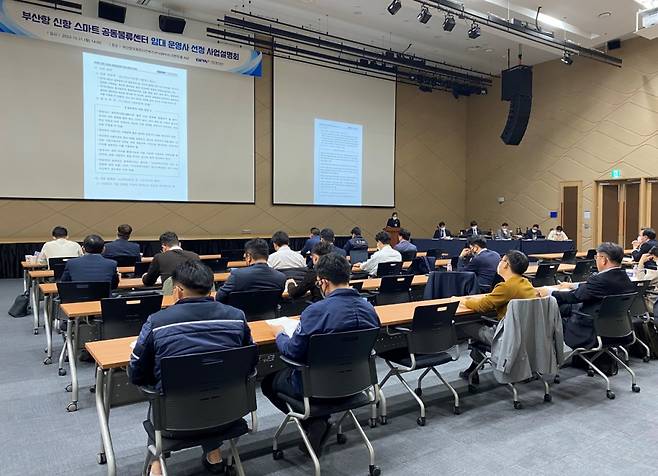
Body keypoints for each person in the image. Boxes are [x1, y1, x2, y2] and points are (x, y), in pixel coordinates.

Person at [128, 260, 253, 476]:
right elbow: (249, 361)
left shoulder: (157, 322)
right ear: (212, 288)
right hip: (229, 415)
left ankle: (157, 462)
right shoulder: (237, 317)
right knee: (211, 380)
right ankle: (214, 454)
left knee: (160, 391)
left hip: (174, 423)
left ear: (177, 290)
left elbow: (137, 371)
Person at [261, 253, 380, 456]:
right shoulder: (370, 309)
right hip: (357, 384)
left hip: (315, 388)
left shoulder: (316, 311)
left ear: (323, 282)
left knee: (268, 383)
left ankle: (314, 420)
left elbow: (293, 352)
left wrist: (279, 333)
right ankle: (318, 421)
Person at [459, 250, 538, 382]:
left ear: (506, 265)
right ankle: (473, 369)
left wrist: (463, 300)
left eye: (501, 260)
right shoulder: (526, 283)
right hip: (526, 336)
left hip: (506, 337)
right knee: (483, 327)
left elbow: (481, 306)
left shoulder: (506, 287)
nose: (499, 262)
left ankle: (472, 368)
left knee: (463, 324)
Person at [540, 242, 635, 349]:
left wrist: (549, 292)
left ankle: (549, 352)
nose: (596, 260)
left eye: (597, 257)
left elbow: (574, 297)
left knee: (555, 307)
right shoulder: (625, 277)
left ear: (604, 260)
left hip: (591, 330)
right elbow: (592, 288)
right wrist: (573, 285)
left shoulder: (599, 280)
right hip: (619, 329)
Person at [215, 238, 286, 303]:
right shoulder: (281, 277)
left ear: (248, 257)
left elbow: (219, 297)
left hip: (240, 316)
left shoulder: (237, 275)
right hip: (270, 316)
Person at [637, 247, 658, 313]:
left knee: (631, 299)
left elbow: (641, 282)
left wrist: (641, 262)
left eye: (654, 259)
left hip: (654, 305)